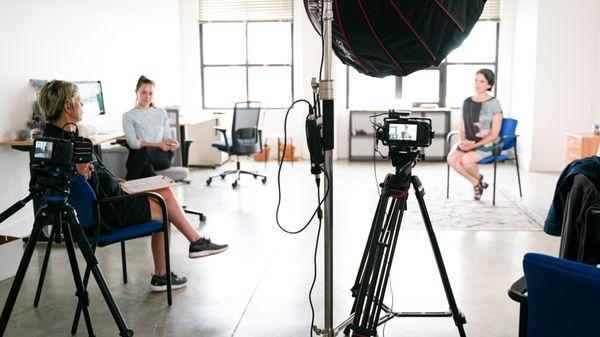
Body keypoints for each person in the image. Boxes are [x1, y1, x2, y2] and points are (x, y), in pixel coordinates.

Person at [36, 80, 228, 292]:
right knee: (164, 206)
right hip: (108, 211)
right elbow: (56, 178)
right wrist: (76, 170)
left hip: (110, 197)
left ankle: (192, 246)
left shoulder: (60, 139)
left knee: (162, 191)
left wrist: (111, 180)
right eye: (80, 100)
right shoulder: (64, 145)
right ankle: (173, 265)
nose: (82, 104)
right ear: (68, 106)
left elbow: (79, 175)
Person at [447, 69, 503, 200]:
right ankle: (477, 182)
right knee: (452, 159)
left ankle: (477, 182)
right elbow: (462, 129)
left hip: (488, 142)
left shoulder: (494, 103)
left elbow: (494, 134)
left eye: (482, 81)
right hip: (469, 141)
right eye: (476, 80)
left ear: (489, 85)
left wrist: (474, 145)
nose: (477, 84)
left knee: (466, 161)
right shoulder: (466, 102)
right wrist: (464, 142)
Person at [122, 75, 178, 180]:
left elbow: (166, 136)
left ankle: (127, 188)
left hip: (162, 156)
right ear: (136, 92)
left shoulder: (161, 112)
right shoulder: (128, 116)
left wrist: (172, 142)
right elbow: (133, 144)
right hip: (141, 156)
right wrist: (158, 144)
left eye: (150, 93)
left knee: (142, 154)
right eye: (143, 92)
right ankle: (157, 195)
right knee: (147, 169)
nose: (147, 96)